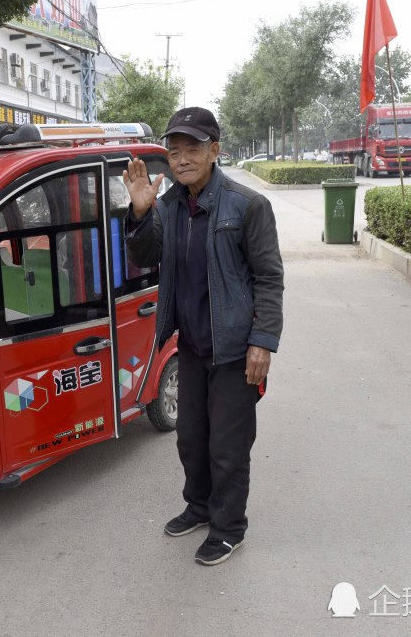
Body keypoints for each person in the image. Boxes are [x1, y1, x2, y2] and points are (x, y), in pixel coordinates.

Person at [124, 107, 284, 566]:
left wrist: (263, 341)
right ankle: (199, 506)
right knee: (190, 439)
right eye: (174, 151)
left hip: (235, 352)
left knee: (228, 448)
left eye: (193, 148)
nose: (182, 158)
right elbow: (146, 253)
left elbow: (269, 279)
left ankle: (230, 527)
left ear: (215, 150)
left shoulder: (247, 205)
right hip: (190, 346)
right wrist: (140, 211)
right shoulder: (170, 205)